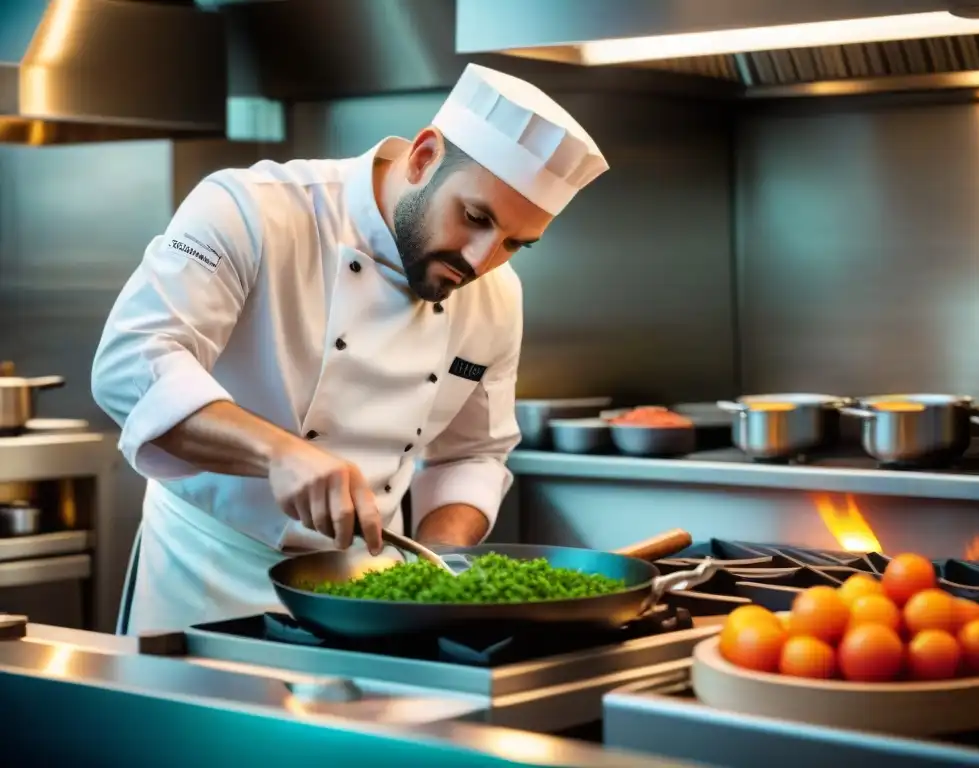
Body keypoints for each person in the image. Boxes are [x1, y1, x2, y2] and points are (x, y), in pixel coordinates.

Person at [92, 63, 609, 634]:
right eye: (475, 217)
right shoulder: (255, 209)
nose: (480, 260)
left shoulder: (497, 295)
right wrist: (280, 454)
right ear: (423, 157)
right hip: (205, 577)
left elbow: (472, 453)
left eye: (516, 243)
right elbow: (132, 362)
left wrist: (437, 572)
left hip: (367, 593)